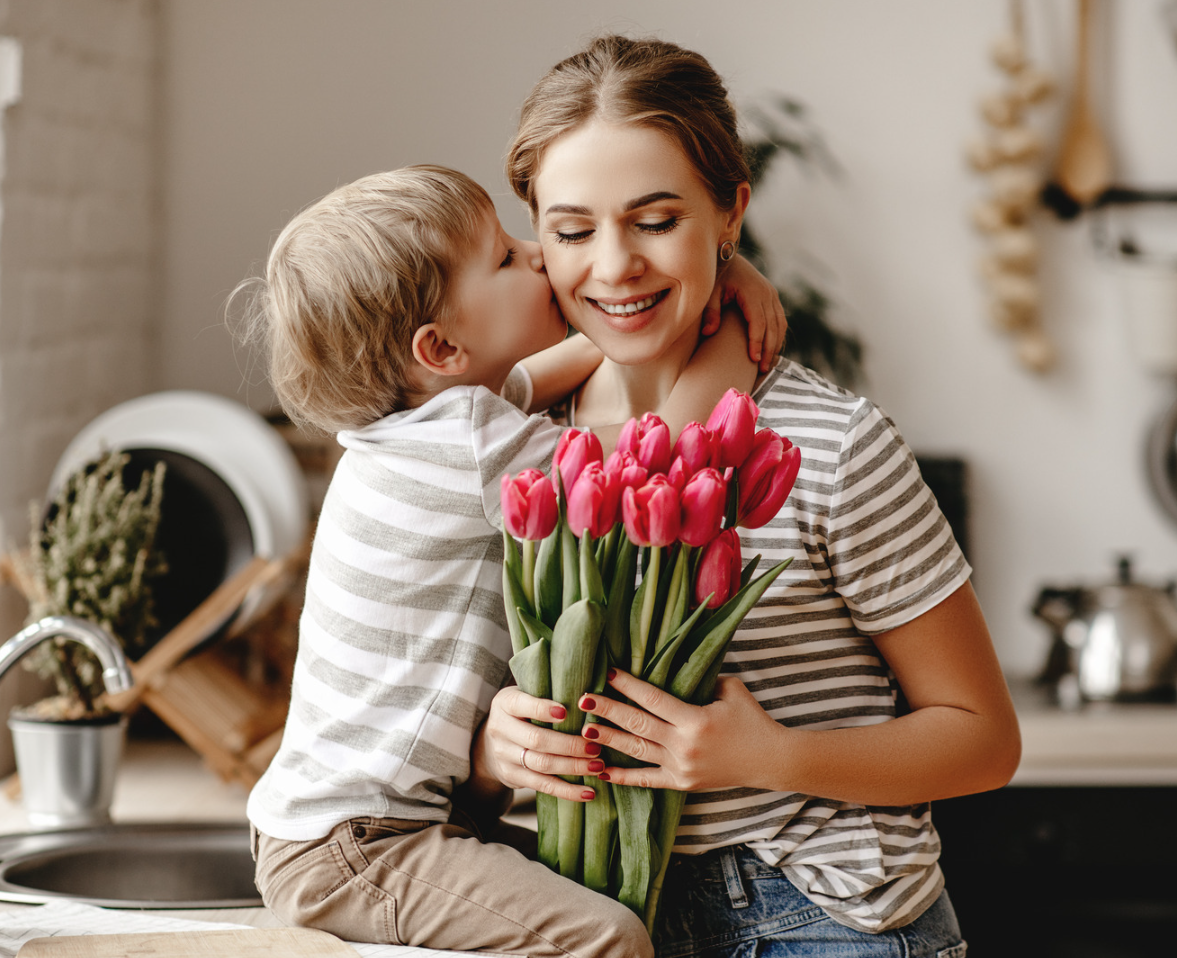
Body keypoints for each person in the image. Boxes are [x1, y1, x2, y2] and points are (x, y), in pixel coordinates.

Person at [475, 35, 1021, 956]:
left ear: (730, 214)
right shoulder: (511, 438)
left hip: (823, 919)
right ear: (536, 237)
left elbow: (982, 740)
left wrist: (767, 755)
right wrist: (497, 755)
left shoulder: (834, 445)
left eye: (656, 221)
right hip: (594, 918)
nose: (613, 268)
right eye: (573, 231)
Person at [241, 164, 787, 958]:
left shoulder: (417, 426)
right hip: (361, 847)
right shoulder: (467, 446)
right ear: (442, 348)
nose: (539, 255)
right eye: (504, 256)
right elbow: (663, 455)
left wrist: (701, 274)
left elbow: (541, 375)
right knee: (608, 936)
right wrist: (729, 317)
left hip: (337, 829)